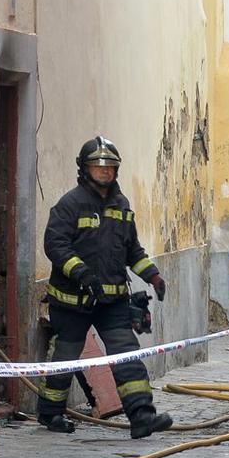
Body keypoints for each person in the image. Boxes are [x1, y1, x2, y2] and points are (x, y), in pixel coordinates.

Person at [35, 137, 174, 440]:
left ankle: (142, 416)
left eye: (110, 167)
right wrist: (82, 273)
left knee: (126, 354)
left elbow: (133, 251)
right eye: (98, 166)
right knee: (67, 357)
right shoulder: (69, 205)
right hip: (73, 301)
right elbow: (55, 245)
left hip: (112, 302)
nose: (104, 171)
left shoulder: (121, 206)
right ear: (84, 169)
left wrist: (153, 276)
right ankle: (50, 413)